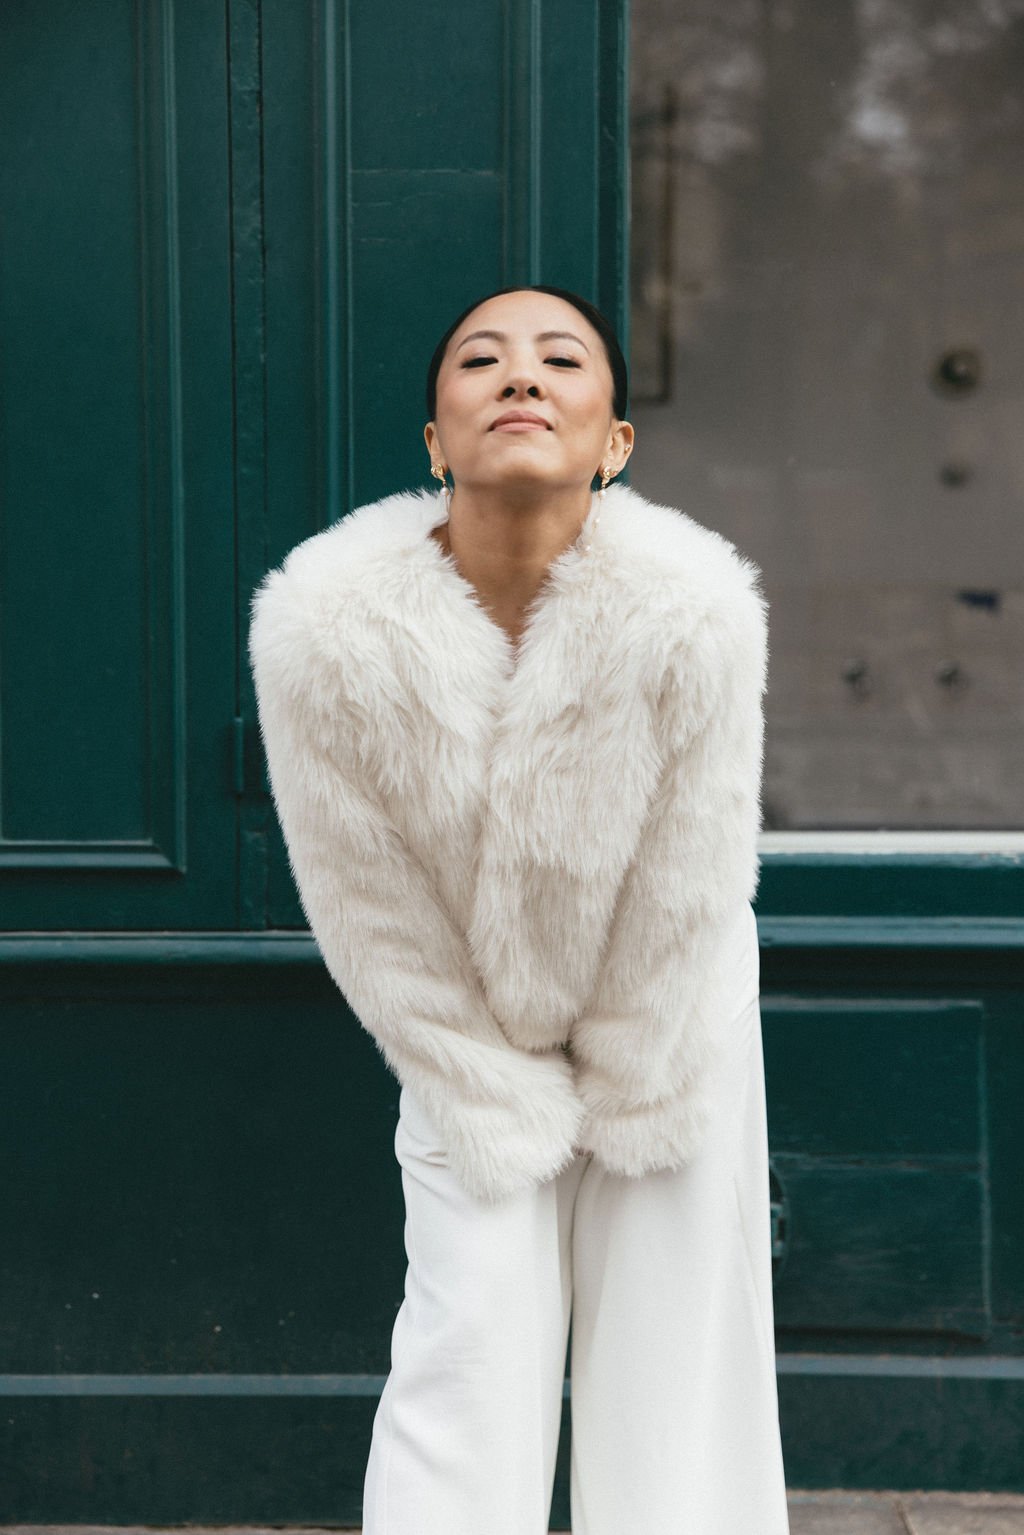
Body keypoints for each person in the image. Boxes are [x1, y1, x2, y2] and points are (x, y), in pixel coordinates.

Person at [248, 285, 790, 1534]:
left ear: (615, 441)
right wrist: (492, 1091)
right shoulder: (326, 632)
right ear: (435, 439)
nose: (521, 376)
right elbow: (365, 904)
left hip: (668, 1012)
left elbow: (690, 874)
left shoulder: (696, 609)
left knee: (672, 1359)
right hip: (455, 1026)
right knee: (469, 1340)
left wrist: (628, 1085)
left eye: (561, 359)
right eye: (481, 360)